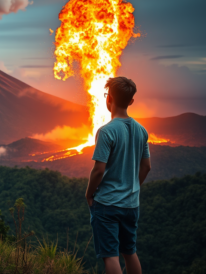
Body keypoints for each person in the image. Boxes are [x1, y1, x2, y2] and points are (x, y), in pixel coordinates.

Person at [85, 76, 152, 274]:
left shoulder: (106, 132)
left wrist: (89, 194)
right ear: (131, 101)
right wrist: (133, 187)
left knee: (110, 256)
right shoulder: (142, 131)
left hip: (107, 204)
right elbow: (146, 166)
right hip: (131, 205)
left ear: (109, 98)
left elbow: (98, 170)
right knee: (130, 252)